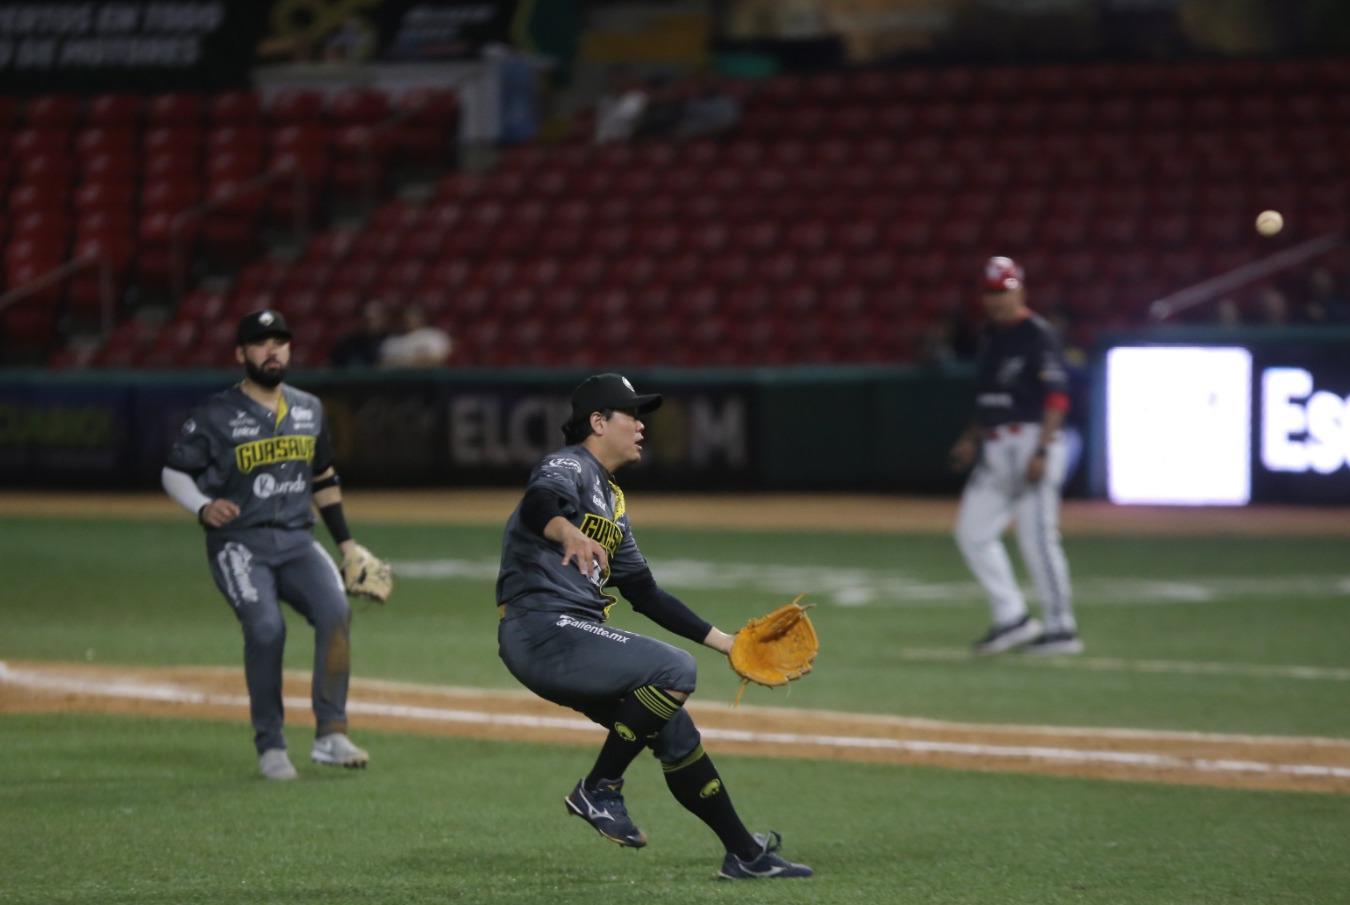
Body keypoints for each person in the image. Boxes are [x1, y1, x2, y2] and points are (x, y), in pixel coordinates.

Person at [494, 373, 812, 880]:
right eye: (630, 415)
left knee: (676, 734)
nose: (641, 426)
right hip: (542, 628)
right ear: (598, 422)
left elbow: (643, 593)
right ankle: (598, 789)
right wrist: (567, 531)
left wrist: (725, 643)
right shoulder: (568, 464)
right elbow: (538, 505)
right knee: (673, 669)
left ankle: (744, 855)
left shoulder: (614, 502)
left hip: (572, 635)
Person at [162, 310, 380, 779]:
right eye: (260, 343)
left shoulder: (309, 409)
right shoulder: (216, 414)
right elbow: (174, 471)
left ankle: (330, 735)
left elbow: (323, 478)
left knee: (335, 612)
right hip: (239, 544)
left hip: (297, 540)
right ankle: (271, 744)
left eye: (280, 341)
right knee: (265, 629)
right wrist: (201, 506)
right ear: (241, 354)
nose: (272, 350)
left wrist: (347, 544)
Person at [948, 257, 1082, 656]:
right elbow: (989, 398)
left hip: (1030, 440)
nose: (996, 299)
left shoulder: (1038, 334)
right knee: (972, 532)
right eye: (990, 292)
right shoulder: (990, 337)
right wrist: (971, 438)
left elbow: (1057, 396)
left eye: (1003, 291)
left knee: (1037, 539)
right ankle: (1013, 618)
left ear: (1020, 290)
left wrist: (1043, 448)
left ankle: (1062, 628)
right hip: (995, 444)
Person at [378, 304, 452, 368]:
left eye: (415, 316)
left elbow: (438, 360)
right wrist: (417, 360)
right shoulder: (392, 340)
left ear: (423, 318)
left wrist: (401, 362)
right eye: (407, 317)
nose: (410, 320)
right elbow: (383, 364)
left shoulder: (434, 336)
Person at [330, 298, 391, 368]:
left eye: (375, 318)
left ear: (385, 318)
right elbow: (332, 366)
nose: (371, 323)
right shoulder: (348, 343)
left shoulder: (394, 341)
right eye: (367, 319)